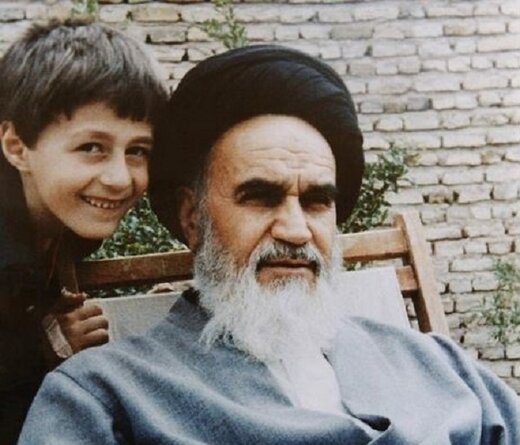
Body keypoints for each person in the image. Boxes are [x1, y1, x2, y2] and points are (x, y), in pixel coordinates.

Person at [19, 46, 519, 444]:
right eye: (260, 198)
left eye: (318, 202)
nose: (296, 231)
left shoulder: (437, 364)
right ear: (193, 218)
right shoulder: (104, 396)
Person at [0, 18, 166, 442]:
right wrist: (41, 349)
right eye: (92, 147)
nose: (120, 179)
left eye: (137, 150)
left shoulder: (67, 223)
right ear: (17, 147)